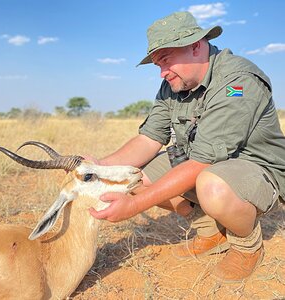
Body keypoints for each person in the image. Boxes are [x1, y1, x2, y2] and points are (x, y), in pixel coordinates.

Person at [89, 11, 285, 282]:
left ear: (196, 46)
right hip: (205, 163)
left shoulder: (237, 82)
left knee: (212, 186)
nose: (162, 72)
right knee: (134, 178)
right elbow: (149, 139)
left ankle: (246, 245)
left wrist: (133, 207)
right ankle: (211, 233)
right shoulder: (172, 84)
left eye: (166, 60)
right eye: (157, 64)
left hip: (256, 169)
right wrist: (97, 167)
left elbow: (202, 163)